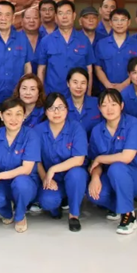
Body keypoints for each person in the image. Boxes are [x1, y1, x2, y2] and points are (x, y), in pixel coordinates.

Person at [87, 89, 137, 235]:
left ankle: (128, 215)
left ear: (121, 106)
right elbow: (95, 162)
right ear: (99, 108)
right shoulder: (97, 131)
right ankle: (118, 206)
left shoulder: (133, 124)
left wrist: (100, 158)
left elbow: (126, 157)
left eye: (113, 104)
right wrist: (95, 177)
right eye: (104, 105)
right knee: (95, 194)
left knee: (117, 168)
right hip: (112, 177)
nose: (109, 109)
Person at [0, 99, 41, 233]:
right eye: (9, 114)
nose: (13, 119)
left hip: (25, 181)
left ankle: (20, 215)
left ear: (24, 116)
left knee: (21, 184)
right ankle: (7, 213)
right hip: (2, 183)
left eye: (18, 114)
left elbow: (26, 169)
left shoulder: (31, 136)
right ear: (1, 115)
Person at [36, 93, 88, 232]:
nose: (56, 112)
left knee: (77, 174)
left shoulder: (76, 128)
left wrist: (53, 169)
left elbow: (79, 159)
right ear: (45, 111)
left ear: (67, 109)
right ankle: (55, 208)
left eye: (60, 107)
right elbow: (36, 160)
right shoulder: (38, 130)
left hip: (72, 176)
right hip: (51, 179)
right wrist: (45, 178)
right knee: (48, 201)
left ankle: (74, 215)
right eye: (52, 108)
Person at [37, 0, 96, 95]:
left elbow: (89, 69)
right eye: (60, 13)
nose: (64, 17)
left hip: (78, 95)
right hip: (53, 95)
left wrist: (88, 94)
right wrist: (42, 95)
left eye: (68, 13)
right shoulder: (46, 41)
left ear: (74, 16)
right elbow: (41, 70)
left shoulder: (84, 40)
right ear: (56, 17)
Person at [95, 7, 137, 92]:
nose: (119, 23)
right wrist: (108, 85)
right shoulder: (101, 44)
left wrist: (123, 85)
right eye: (116, 20)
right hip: (106, 91)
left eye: (123, 20)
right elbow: (98, 68)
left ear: (129, 22)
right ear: (110, 23)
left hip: (131, 91)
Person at [65, 67, 101, 136]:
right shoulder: (62, 106)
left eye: (83, 83)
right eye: (75, 82)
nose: (79, 86)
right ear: (68, 83)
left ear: (87, 84)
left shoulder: (97, 103)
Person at [20, 7, 42, 73]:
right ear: (22, 21)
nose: (31, 20)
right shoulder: (14, 40)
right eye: (28, 18)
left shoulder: (47, 40)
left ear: (40, 21)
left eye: (35, 18)